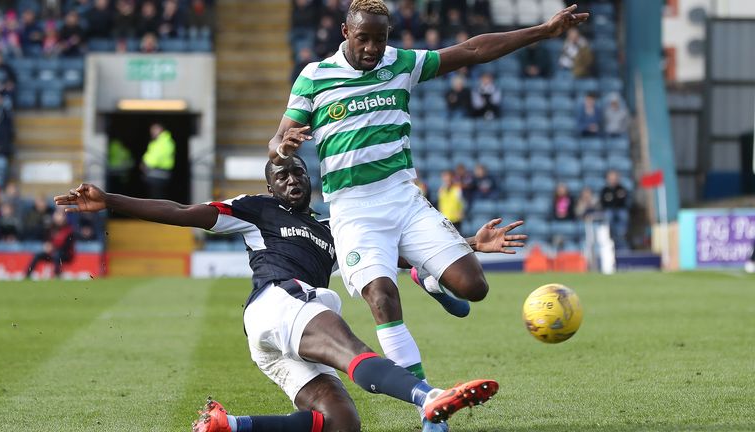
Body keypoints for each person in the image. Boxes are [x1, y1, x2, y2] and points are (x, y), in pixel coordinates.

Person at [268, 1, 586, 429]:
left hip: (403, 198)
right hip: (354, 210)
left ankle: (429, 277)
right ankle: (429, 410)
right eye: (363, 38)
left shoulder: (401, 63)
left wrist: (542, 31)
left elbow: (472, 50)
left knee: (474, 287)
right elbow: (278, 140)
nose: (373, 48)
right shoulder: (314, 77)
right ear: (345, 31)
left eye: (380, 39)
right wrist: (283, 145)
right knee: (381, 296)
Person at [53, 155, 527, 432]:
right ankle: (429, 398)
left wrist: (466, 244)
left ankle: (228, 425)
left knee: (341, 422)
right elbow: (181, 211)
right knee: (351, 349)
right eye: (282, 176)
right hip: (279, 303)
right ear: (269, 186)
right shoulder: (254, 210)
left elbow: (402, 254)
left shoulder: (334, 228)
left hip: (278, 337)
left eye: (299, 173)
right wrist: (110, 200)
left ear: (311, 180)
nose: (292, 179)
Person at [26, 209, 74, 279]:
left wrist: (53, 247)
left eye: (59, 215)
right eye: (56, 215)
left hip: (65, 254)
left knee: (57, 255)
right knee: (37, 255)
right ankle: (27, 275)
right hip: (52, 252)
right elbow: (46, 239)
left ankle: (57, 276)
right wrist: (46, 245)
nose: (57, 217)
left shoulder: (68, 229)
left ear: (64, 218)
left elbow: (66, 245)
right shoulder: (50, 228)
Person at [141, 122, 175, 198]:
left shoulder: (163, 142)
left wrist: (145, 164)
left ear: (161, 130)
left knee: (157, 199)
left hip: (159, 174)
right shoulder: (160, 141)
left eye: (154, 130)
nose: (152, 132)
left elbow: (156, 157)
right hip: (156, 174)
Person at [600, 170, 629, 250]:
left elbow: (623, 201)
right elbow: (604, 202)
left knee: (623, 215)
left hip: (620, 210)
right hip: (609, 211)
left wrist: (613, 199)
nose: (613, 180)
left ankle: (622, 242)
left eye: (614, 178)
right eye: (611, 178)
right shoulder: (605, 190)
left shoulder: (621, 189)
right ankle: (609, 234)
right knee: (608, 214)